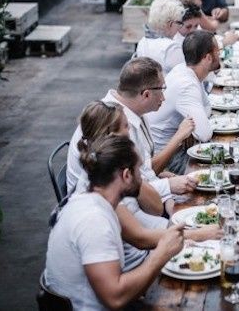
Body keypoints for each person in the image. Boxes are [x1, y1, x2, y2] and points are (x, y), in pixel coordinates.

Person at [72, 102, 220, 271]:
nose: (131, 132)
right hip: (133, 265)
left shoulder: (115, 165)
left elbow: (154, 209)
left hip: (141, 253)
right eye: (127, 127)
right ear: (112, 136)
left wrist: (179, 229)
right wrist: (196, 235)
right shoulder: (103, 183)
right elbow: (140, 237)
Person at [45, 135, 185, 310]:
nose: (142, 178)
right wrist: (161, 254)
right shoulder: (94, 221)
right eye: (139, 171)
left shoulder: (92, 200)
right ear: (126, 175)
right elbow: (115, 298)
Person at [66, 57, 197, 202]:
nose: (164, 97)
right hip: (105, 204)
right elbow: (129, 185)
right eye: (162, 89)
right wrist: (168, 186)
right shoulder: (116, 123)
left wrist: (160, 178)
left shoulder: (133, 110)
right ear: (146, 94)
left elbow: (143, 171)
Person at [146, 30, 220, 174]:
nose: (220, 55)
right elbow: (204, 134)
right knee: (221, 167)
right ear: (208, 58)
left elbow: (207, 106)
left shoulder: (184, 69)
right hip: (166, 158)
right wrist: (194, 128)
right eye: (218, 51)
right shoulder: (187, 84)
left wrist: (191, 128)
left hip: (173, 147)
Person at [135, 0, 186, 74]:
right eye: (179, 23)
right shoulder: (171, 48)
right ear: (170, 24)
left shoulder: (143, 42)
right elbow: (185, 74)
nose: (180, 27)